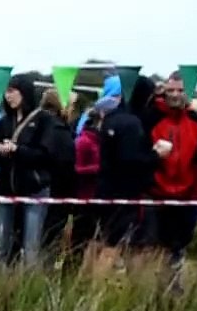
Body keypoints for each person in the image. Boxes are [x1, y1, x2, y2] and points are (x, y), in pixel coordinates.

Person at [146, 71, 197, 282]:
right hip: (156, 196)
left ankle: (172, 292)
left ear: (188, 93)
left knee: (178, 248)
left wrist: (195, 196)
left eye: (180, 90)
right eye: (171, 90)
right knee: (153, 248)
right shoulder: (151, 117)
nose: (175, 95)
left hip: (187, 197)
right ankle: (147, 292)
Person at [94, 83, 162, 274]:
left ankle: (94, 286)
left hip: (106, 190)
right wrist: (156, 156)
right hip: (125, 193)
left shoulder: (111, 119)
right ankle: (98, 289)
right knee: (116, 245)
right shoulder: (131, 123)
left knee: (104, 241)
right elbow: (130, 159)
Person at [0, 74, 55, 270]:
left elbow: (46, 155)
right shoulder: (4, 122)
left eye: (12, 91)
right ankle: (0, 288)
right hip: (5, 188)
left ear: (24, 92)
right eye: (6, 92)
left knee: (31, 246)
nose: (8, 96)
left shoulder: (44, 120)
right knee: (1, 244)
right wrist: (1, 151)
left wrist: (17, 150)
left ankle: (30, 290)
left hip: (34, 189)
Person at [38, 89, 79, 270]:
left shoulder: (38, 123)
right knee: (49, 239)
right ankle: (43, 276)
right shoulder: (59, 130)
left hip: (42, 189)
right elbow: (65, 165)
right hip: (57, 193)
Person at [63, 107, 105, 277]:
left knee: (93, 240)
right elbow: (76, 169)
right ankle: (69, 273)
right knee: (79, 241)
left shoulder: (98, 141)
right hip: (84, 198)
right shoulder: (84, 141)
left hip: (96, 198)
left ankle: (85, 274)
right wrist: (99, 169)